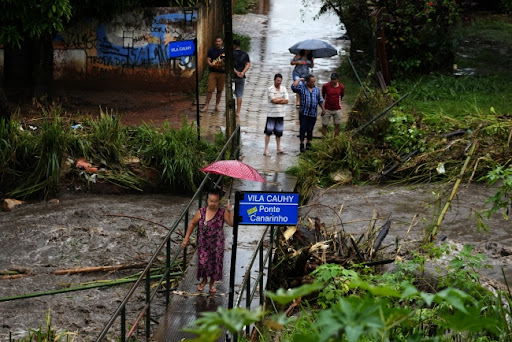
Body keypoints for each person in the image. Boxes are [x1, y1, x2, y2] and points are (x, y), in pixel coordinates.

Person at [181, 188, 234, 293]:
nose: (213, 203)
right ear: (207, 200)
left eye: (216, 201)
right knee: (203, 263)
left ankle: (211, 284)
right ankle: (204, 280)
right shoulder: (201, 212)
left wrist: (230, 210)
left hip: (217, 244)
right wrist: (186, 238)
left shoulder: (222, 212)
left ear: (219, 201)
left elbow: (231, 223)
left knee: (215, 264)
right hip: (204, 244)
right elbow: (192, 224)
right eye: (211, 201)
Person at [291, 74, 325, 153]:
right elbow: (293, 87)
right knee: (303, 128)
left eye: (314, 81)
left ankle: (309, 144)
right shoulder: (302, 88)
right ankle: (302, 144)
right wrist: (300, 79)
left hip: (313, 114)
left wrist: (323, 109)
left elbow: (320, 100)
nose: (313, 83)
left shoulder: (316, 89)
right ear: (307, 82)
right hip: (304, 113)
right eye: (312, 82)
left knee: (310, 129)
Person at [264, 73, 289, 156]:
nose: (279, 82)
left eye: (280, 81)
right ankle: (266, 150)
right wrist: (281, 99)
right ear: (274, 80)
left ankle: (278, 148)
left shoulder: (284, 88)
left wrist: (278, 99)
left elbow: (287, 100)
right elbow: (273, 101)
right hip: (271, 114)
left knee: (279, 133)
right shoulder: (270, 89)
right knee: (268, 132)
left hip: (280, 114)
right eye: (277, 81)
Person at [201, 37, 225, 112]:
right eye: (216, 41)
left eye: (219, 41)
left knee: (219, 90)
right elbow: (208, 60)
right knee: (210, 89)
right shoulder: (211, 50)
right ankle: (206, 105)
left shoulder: (224, 51)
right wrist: (211, 65)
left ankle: (217, 105)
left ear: (222, 42)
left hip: (222, 73)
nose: (218, 43)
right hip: (213, 72)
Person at [233, 39, 251, 117]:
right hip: (241, 77)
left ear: (234, 45)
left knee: (231, 93)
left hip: (232, 76)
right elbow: (248, 64)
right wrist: (242, 72)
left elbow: (230, 65)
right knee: (239, 94)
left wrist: (236, 72)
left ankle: (230, 108)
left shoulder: (231, 54)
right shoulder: (245, 54)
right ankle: (238, 112)